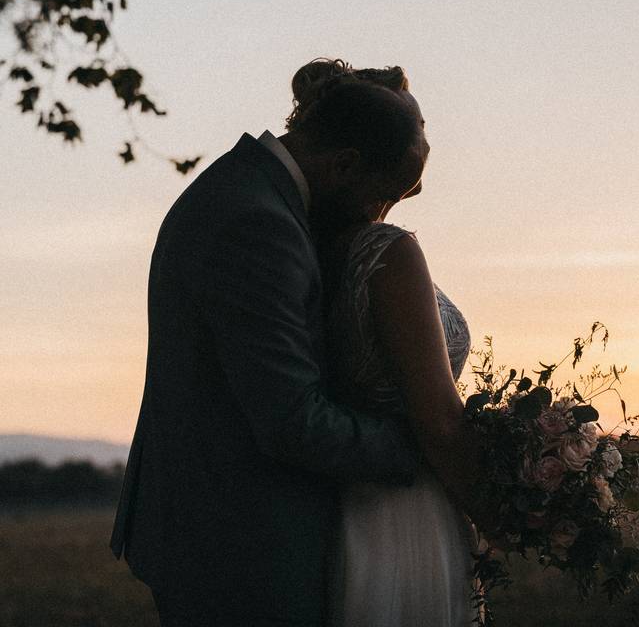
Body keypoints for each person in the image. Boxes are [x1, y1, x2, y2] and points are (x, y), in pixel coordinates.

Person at [109, 60, 444, 626]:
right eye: (384, 196)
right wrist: (425, 446)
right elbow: (293, 420)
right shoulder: (257, 224)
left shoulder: (246, 190)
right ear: (344, 165)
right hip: (239, 544)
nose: (381, 218)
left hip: (221, 526)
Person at [290, 60, 479, 626]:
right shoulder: (388, 252)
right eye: (415, 124)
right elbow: (441, 422)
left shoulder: (312, 249)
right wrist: (509, 512)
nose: (422, 135)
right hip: (405, 512)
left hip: (341, 505)